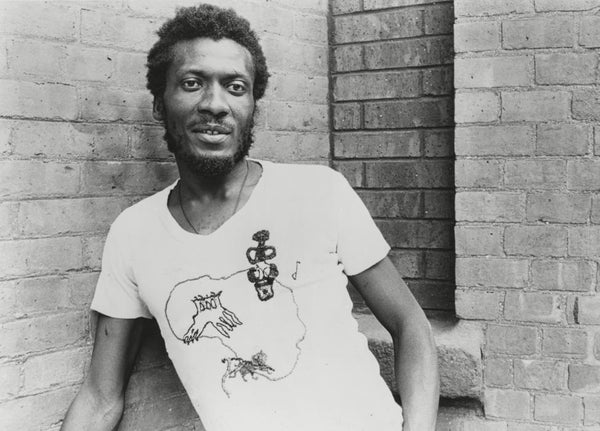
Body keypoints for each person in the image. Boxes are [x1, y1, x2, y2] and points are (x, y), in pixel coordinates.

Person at [61, 4, 439, 431]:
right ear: (159, 105)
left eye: (235, 87)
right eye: (192, 83)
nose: (215, 104)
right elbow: (99, 398)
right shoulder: (134, 234)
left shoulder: (318, 192)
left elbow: (411, 325)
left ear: (252, 106)